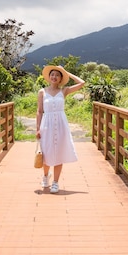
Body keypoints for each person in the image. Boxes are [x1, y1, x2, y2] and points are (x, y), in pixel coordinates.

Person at [36, 65, 85, 193]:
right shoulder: (42, 92)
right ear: (49, 77)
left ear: (60, 78)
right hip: (46, 124)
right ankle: (46, 176)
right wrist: (38, 129)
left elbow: (82, 83)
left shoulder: (64, 91)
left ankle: (55, 182)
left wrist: (66, 71)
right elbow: (39, 111)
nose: (54, 77)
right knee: (46, 152)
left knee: (59, 152)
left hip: (61, 124)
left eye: (58, 75)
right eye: (52, 74)